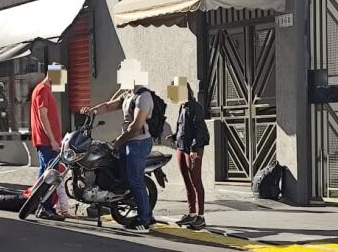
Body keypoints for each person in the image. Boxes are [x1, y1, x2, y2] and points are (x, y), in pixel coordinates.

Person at [82, 85, 155, 233]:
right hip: (128, 141)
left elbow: (136, 125)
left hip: (138, 142)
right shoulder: (127, 94)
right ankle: (147, 214)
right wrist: (92, 111)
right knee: (123, 178)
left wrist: (118, 141)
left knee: (135, 179)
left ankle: (144, 222)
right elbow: (109, 106)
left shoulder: (143, 97)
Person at [168, 83, 210, 230]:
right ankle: (191, 214)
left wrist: (193, 149)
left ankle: (201, 216)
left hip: (193, 149)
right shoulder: (183, 106)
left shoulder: (194, 106)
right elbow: (183, 127)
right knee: (187, 182)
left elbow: (199, 129)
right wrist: (174, 136)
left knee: (196, 181)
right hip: (181, 147)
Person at [30, 69, 64, 222]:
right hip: (46, 142)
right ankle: (45, 207)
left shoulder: (43, 90)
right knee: (50, 175)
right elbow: (43, 115)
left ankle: (38, 204)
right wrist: (52, 139)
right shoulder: (42, 90)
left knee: (45, 172)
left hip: (47, 141)